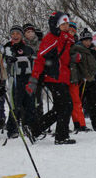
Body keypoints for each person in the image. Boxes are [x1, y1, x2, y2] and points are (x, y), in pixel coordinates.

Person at [26, 11, 76, 145]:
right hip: (54, 78)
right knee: (66, 106)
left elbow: (63, 57)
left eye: (67, 23)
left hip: (62, 78)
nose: (67, 26)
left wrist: (73, 57)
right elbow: (40, 59)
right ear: (57, 25)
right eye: (63, 23)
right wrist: (34, 79)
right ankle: (60, 136)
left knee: (60, 108)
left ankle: (35, 129)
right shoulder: (51, 38)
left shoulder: (65, 38)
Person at [4, 24, 38, 138]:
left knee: (30, 104)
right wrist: (9, 59)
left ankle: (30, 127)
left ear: (22, 35)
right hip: (15, 79)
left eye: (18, 33)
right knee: (15, 105)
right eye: (13, 34)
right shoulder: (8, 47)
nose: (15, 36)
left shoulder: (27, 48)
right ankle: (12, 128)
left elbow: (35, 59)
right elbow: (5, 60)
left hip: (27, 79)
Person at [70, 27, 96, 132]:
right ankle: (79, 124)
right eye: (86, 40)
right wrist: (87, 76)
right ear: (82, 40)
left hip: (87, 79)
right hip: (81, 79)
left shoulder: (91, 50)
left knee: (91, 102)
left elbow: (93, 65)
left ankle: (89, 123)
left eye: (90, 40)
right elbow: (82, 66)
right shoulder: (79, 49)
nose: (88, 42)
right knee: (77, 102)